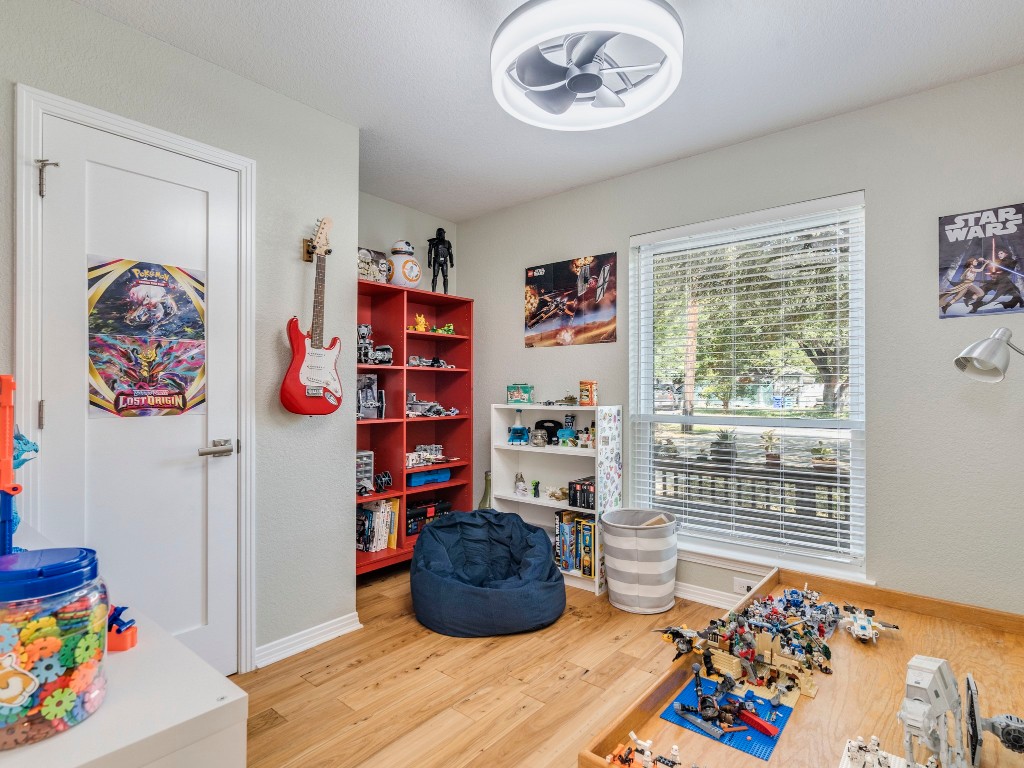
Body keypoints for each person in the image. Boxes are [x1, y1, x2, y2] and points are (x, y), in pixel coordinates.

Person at [969, 247, 1024, 312]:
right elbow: (996, 267)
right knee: (984, 289)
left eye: (1001, 253)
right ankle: (975, 307)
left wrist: (986, 261)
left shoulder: (1010, 261)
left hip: (1004, 281)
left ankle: (1021, 303)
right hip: (997, 280)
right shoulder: (1001, 261)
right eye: (998, 254)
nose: (999, 255)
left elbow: (1003, 265)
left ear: (1006, 254)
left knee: (1014, 292)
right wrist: (986, 262)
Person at [427, 227, 454, 294]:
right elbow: (429, 252)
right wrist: (429, 262)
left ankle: (446, 292)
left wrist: (451, 262)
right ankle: (433, 291)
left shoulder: (448, 242)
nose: (443, 235)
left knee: (445, 277)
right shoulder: (433, 241)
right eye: (442, 233)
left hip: (444, 260)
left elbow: (450, 253)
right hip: (436, 259)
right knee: (435, 276)